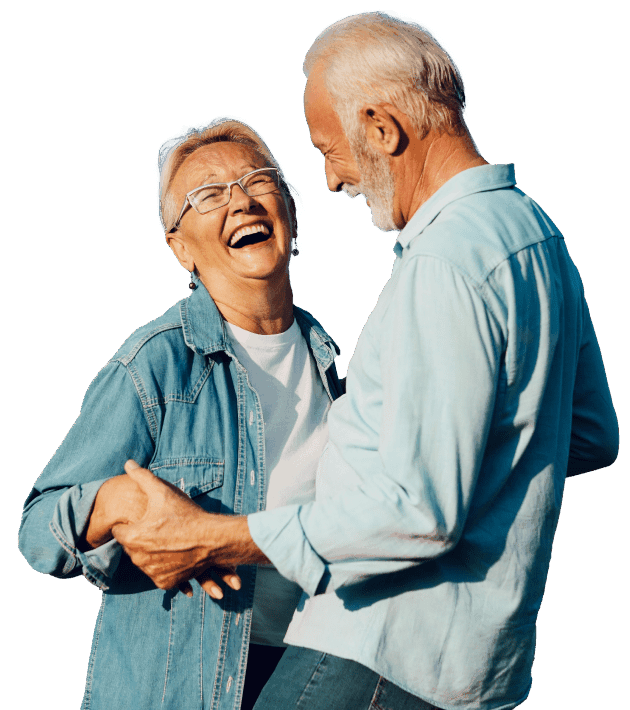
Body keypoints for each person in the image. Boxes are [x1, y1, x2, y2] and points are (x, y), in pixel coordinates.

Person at [108, 12, 619, 710]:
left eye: (329, 148)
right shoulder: (536, 236)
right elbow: (588, 432)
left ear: (383, 129)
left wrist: (214, 537)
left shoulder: (444, 264)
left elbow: (419, 513)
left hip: (376, 651)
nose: (330, 179)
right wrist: (476, 471)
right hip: (476, 664)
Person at [18, 117, 344, 710]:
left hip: (309, 674)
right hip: (186, 690)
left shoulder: (337, 367)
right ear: (180, 247)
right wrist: (115, 501)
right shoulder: (158, 363)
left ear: (292, 213)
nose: (241, 200)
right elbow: (38, 531)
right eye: (208, 195)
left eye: (257, 179)